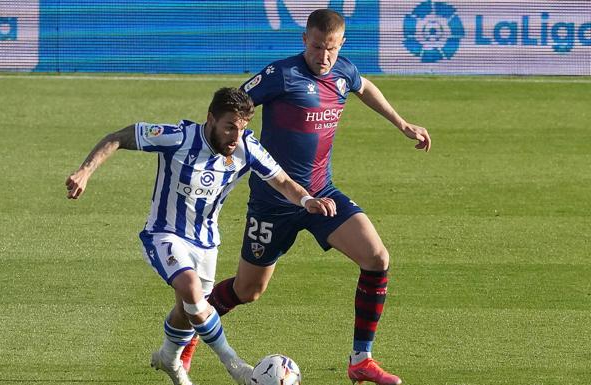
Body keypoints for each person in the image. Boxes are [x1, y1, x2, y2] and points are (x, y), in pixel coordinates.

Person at [180, 9, 431, 385]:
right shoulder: (282, 74)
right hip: (273, 201)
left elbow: (364, 88)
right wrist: (218, 149)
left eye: (331, 49)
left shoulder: (343, 71)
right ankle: (185, 341)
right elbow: (234, 104)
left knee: (377, 257)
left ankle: (361, 360)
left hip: (322, 195)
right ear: (304, 41)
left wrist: (402, 123)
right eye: (316, 47)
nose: (324, 56)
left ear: (340, 44)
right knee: (248, 290)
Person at [65, 87, 336, 385]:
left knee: (186, 311)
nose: (235, 136)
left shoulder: (246, 146)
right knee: (192, 290)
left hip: (206, 243)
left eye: (242, 127)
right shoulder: (178, 137)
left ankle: (169, 358)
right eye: (229, 126)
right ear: (211, 119)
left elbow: (282, 181)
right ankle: (235, 365)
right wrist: (85, 172)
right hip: (164, 234)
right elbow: (118, 136)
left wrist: (307, 200)